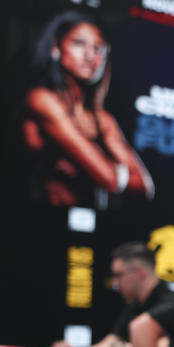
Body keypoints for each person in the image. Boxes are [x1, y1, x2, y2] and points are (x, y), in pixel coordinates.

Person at [23, 10, 153, 209]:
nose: (90, 55)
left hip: (93, 228)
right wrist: (102, 168)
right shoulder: (42, 100)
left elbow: (144, 186)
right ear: (56, 47)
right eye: (79, 43)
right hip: (38, 224)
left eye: (98, 48)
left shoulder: (102, 119)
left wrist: (95, 165)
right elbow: (109, 179)